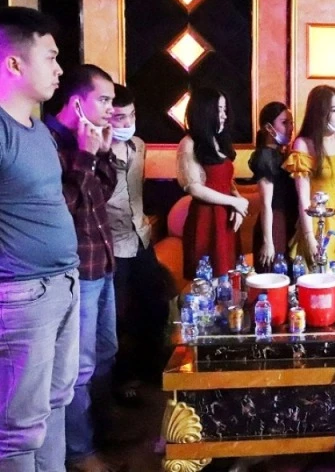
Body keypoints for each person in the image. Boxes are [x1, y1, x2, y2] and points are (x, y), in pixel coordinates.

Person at [0, 7, 80, 471]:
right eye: (50, 57)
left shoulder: (38, 131)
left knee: (55, 404)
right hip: (23, 294)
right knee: (18, 429)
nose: (59, 69)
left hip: (62, 283)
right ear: (14, 63)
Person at [45, 63, 120, 471]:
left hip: (101, 261)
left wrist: (101, 153)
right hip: (76, 271)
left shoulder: (87, 139)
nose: (111, 109)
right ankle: (80, 451)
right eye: (104, 100)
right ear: (77, 103)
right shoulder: (49, 142)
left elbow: (100, 194)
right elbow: (61, 209)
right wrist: (86, 156)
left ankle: (101, 432)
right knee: (79, 367)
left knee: (106, 351)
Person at [107, 84, 170, 402]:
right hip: (111, 242)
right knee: (118, 314)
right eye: (120, 117)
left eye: (131, 115)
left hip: (140, 235)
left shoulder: (139, 145)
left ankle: (151, 369)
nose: (127, 123)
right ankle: (121, 379)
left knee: (155, 304)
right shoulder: (95, 150)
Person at [283, 85, 335, 269]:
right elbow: (303, 198)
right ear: (319, 113)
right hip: (320, 222)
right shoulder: (304, 144)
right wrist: (309, 238)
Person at [177, 87, 248, 279]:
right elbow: (194, 188)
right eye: (219, 110)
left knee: (230, 277)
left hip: (225, 217)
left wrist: (238, 203)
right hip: (206, 217)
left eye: (225, 110)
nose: (224, 115)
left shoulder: (219, 140)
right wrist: (234, 202)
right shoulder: (189, 143)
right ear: (205, 112)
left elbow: (226, 181)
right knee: (208, 279)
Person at [250, 102, 298, 273]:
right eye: (284, 123)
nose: (290, 127)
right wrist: (268, 242)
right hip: (275, 223)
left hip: (288, 221)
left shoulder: (282, 154)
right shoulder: (266, 156)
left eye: (291, 122)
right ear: (269, 128)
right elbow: (266, 204)